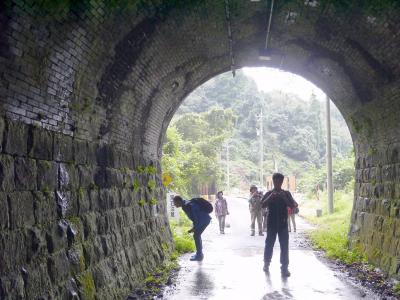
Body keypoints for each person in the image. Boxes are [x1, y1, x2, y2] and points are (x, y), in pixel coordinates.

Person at [261, 173, 298, 277]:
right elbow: (262, 204)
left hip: (283, 224)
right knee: (269, 244)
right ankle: (266, 264)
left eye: (280, 181)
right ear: (273, 181)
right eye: (276, 181)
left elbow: (293, 205)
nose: (278, 183)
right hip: (271, 224)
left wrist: (284, 198)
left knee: (284, 246)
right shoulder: (269, 193)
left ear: (282, 182)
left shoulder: (286, 193)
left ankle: (284, 268)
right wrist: (271, 197)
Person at [173, 195, 211, 261]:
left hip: (204, 220)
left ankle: (199, 255)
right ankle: (199, 254)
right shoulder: (185, 205)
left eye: (175, 203)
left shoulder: (188, 205)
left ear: (179, 201)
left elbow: (196, 217)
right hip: (203, 220)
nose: (174, 205)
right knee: (196, 235)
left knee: (196, 235)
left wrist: (194, 228)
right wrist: (194, 227)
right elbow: (194, 218)